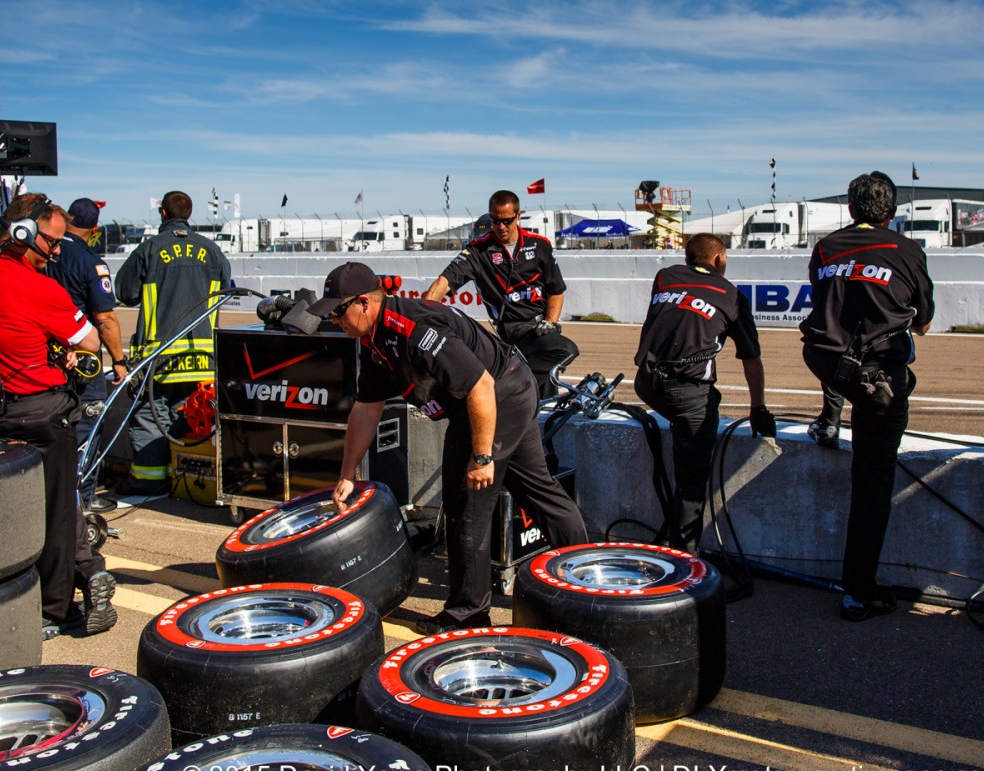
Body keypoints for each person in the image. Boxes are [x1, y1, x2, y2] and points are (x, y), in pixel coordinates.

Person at [311, 261, 588, 633]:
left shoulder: (414, 329)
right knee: (538, 490)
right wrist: (347, 474)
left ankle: (468, 615)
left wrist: (482, 456)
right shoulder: (372, 340)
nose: (335, 321)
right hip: (507, 389)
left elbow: (481, 386)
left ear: (364, 303)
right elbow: (366, 408)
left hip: (496, 397)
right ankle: (585, 576)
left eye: (338, 311)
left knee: (466, 506)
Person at [0, 193, 117, 640]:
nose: (58, 251)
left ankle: (7, 591)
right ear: (23, 234)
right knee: (57, 512)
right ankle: (57, 610)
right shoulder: (39, 287)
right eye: (53, 242)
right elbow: (87, 342)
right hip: (39, 415)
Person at [800, 171, 933, 622]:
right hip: (878, 377)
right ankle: (859, 590)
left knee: (842, 361)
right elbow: (923, 319)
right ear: (891, 212)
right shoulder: (907, 248)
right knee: (873, 477)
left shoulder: (824, 248)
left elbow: (828, 305)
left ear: (852, 209)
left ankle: (829, 418)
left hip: (826, 362)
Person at [633, 233, 776, 554]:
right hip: (687, 394)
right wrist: (759, 408)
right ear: (720, 260)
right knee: (692, 484)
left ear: (688, 258)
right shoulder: (732, 295)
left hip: (645, 382)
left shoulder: (665, 277)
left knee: (686, 416)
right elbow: (751, 358)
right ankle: (685, 560)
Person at [115, 190, 231, 496]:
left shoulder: (150, 249)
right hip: (203, 356)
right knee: (188, 414)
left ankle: (150, 483)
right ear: (188, 215)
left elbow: (124, 293)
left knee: (150, 416)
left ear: (163, 214)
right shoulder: (213, 251)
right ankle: (185, 481)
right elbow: (227, 291)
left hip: (160, 355)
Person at [424, 189, 578, 400]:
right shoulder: (478, 251)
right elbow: (443, 283)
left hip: (541, 329)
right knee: (565, 349)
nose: (501, 227)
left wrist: (551, 323)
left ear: (518, 216)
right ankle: (509, 383)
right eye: (495, 221)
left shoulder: (540, 244)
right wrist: (421, 316)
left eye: (506, 221)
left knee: (547, 389)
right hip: (511, 329)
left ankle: (511, 386)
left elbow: (556, 290)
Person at [45, 197, 127, 513]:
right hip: (80, 359)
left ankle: (54, 498)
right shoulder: (90, 261)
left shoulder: (41, 254)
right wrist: (118, 361)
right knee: (86, 428)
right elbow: (105, 319)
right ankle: (82, 500)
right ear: (94, 229)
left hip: (44, 356)